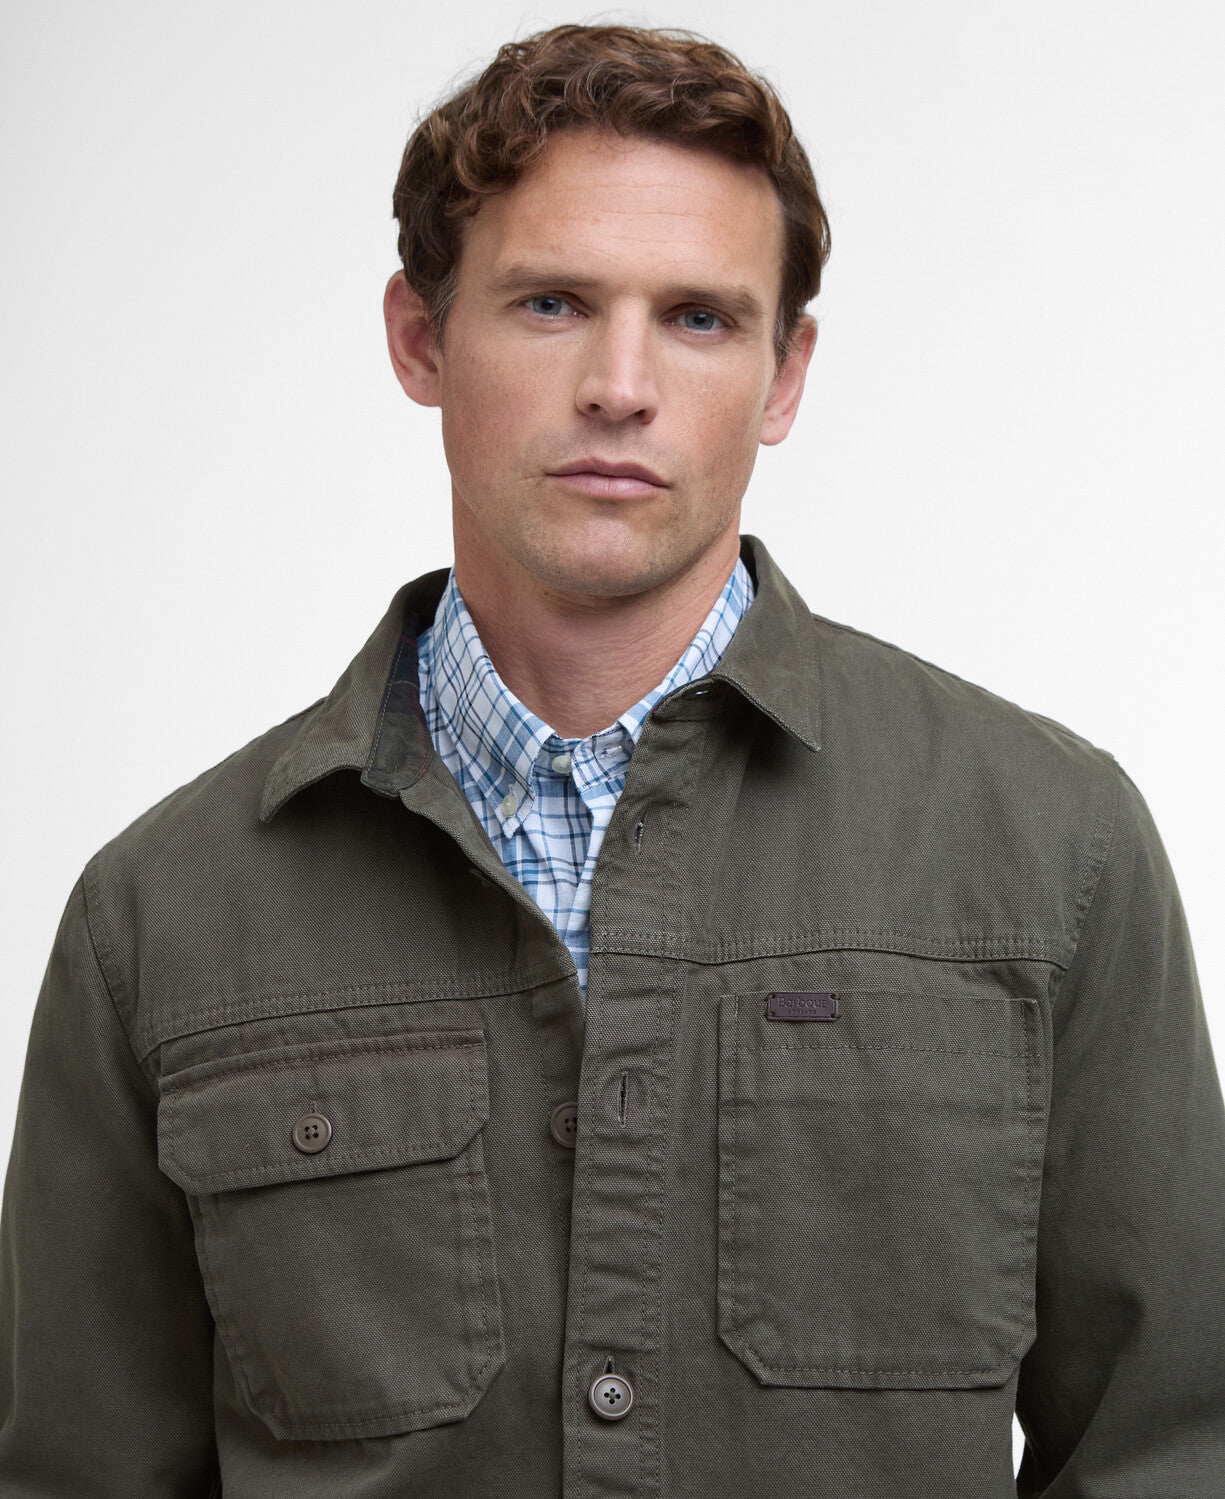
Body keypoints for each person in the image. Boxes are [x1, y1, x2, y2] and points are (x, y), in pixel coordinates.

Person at [0, 21, 1221, 1497]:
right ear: (420, 338)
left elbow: (1174, 1453)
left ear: (784, 376)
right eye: (552, 303)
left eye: (698, 318)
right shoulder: (159, 920)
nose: (620, 385)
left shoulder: (1049, 848)